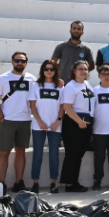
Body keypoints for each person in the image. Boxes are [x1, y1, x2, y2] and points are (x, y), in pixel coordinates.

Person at [0, 51, 36, 193]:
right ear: (12, 62)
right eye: (17, 60)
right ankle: (2, 184)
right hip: (8, 121)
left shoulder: (32, 79)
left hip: (25, 121)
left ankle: (18, 183)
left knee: (21, 152)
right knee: (4, 153)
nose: (19, 63)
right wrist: (2, 118)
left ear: (26, 63)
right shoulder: (3, 78)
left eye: (22, 61)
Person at [29, 60, 64, 194]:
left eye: (52, 69)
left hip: (55, 126)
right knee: (37, 154)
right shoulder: (36, 85)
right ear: (42, 70)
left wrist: (58, 121)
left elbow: (62, 106)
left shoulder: (60, 86)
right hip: (39, 126)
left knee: (54, 155)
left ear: (55, 71)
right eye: (46, 69)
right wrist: (39, 121)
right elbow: (32, 106)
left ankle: (53, 183)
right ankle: (35, 183)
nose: (49, 71)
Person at [60, 60, 94, 192]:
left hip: (86, 121)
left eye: (85, 69)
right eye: (80, 69)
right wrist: (79, 121)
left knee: (79, 154)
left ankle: (74, 181)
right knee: (72, 154)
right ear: (74, 70)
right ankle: (69, 184)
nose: (83, 71)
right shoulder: (71, 86)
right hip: (74, 122)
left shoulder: (86, 84)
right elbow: (67, 107)